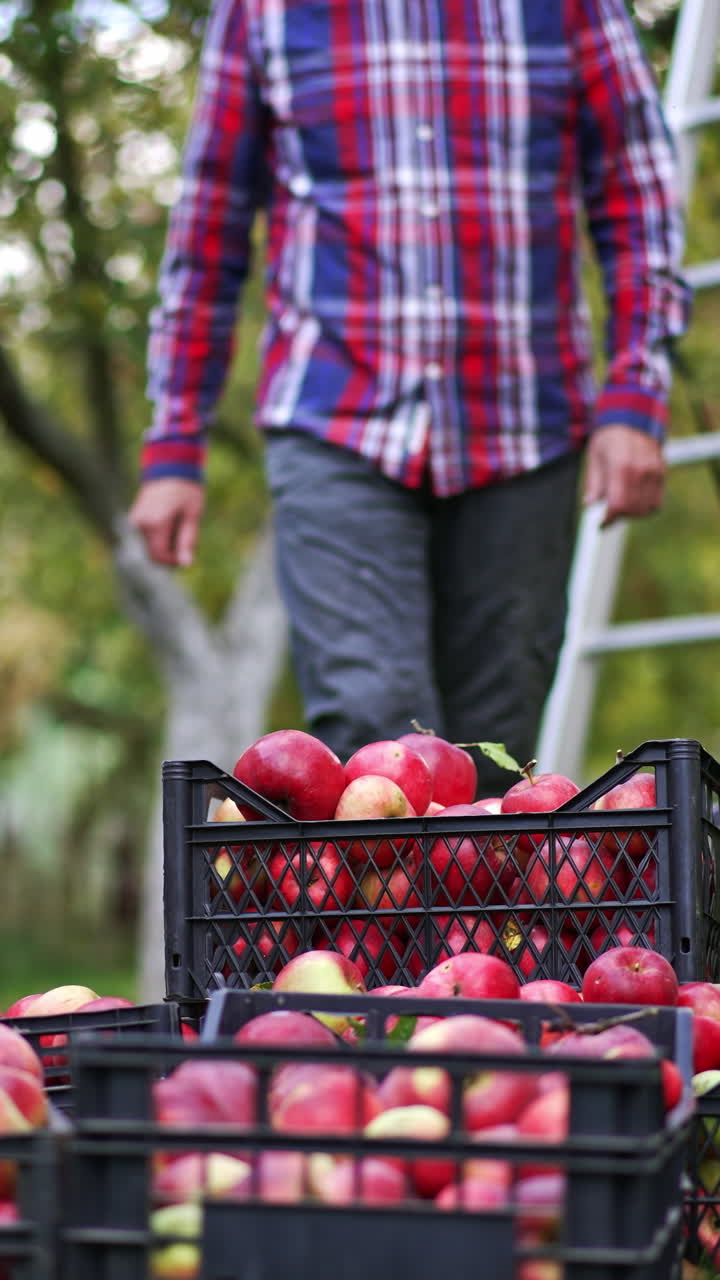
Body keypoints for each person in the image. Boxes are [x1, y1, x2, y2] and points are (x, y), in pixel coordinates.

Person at [129, 0, 691, 797]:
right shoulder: (265, 10)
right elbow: (209, 223)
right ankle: (376, 926)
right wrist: (175, 440)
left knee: (497, 751)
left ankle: (474, 927)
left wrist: (636, 392)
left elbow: (638, 190)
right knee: (374, 731)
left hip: (526, 420)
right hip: (334, 412)